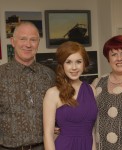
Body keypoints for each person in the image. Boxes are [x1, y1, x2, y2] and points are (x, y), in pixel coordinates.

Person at [0, 21, 55, 150]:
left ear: (38, 43)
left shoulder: (50, 75)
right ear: (13, 42)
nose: (28, 44)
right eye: (23, 39)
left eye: (33, 40)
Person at [43, 41, 98, 150]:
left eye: (78, 62)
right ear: (62, 65)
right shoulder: (53, 93)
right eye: (68, 62)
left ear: (84, 64)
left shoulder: (91, 90)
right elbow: (48, 135)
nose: (74, 67)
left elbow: (91, 131)